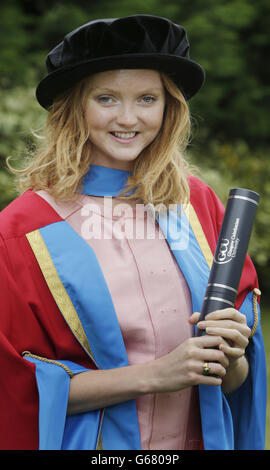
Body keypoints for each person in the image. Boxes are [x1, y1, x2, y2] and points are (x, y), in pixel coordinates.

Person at [0, 15, 266, 451]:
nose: (129, 118)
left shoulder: (197, 205)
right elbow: (15, 393)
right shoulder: (22, 233)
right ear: (75, 107)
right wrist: (155, 375)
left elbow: (236, 382)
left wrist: (233, 356)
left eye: (147, 98)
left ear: (169, 107)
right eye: (106, 98)